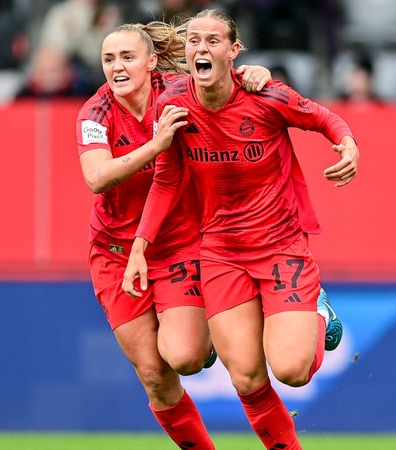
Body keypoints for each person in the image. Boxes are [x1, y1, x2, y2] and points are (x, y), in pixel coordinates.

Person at [123, 9, 358, 449]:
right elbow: (167, 180)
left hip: (280, 246)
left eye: (212, 40)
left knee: (292, 371)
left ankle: (318, 310)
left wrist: (348, 145)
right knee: (247, 378)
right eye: (194, 40)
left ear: (234, 51)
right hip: (220, 253)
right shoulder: (172, 105)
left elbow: (323, 118)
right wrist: (140, 245)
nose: (201, 48)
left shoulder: (265, 95)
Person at [76, 21, 272, 450]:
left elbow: (226, 80)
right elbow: (96, 178)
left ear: (151, 62)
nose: (117, 67)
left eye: (127, 57)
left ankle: (290, 309)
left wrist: (255, 74)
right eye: (108, 59)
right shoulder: (95, 113)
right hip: (115, 252)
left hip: (178, 244)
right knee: (154, 377)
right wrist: (156, 144)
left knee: (185, 358)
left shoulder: (179, 90)